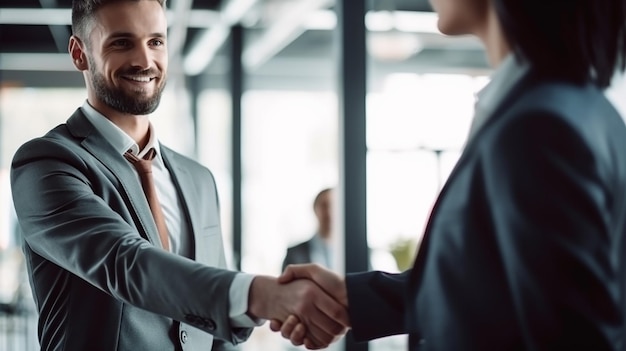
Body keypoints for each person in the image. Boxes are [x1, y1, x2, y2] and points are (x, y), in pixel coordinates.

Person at [275, 0, 626, 350]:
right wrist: (356, 298)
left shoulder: (537, 126)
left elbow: (570, 335)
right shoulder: (574, 106)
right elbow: (495, 286)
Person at [10, 1, 348, 350]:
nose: (145, 60)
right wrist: (261, 295)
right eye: (122, 43)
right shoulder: (46, 163)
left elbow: (215, 333)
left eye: (156, 41)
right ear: (79, 53)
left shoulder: (198, 179)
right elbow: (125, 263)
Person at [282, 188, 334, 271]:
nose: (329, 212)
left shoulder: (355, 253)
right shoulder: (294, 253)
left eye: (334, 206)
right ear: (315, 210)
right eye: (324, 206)